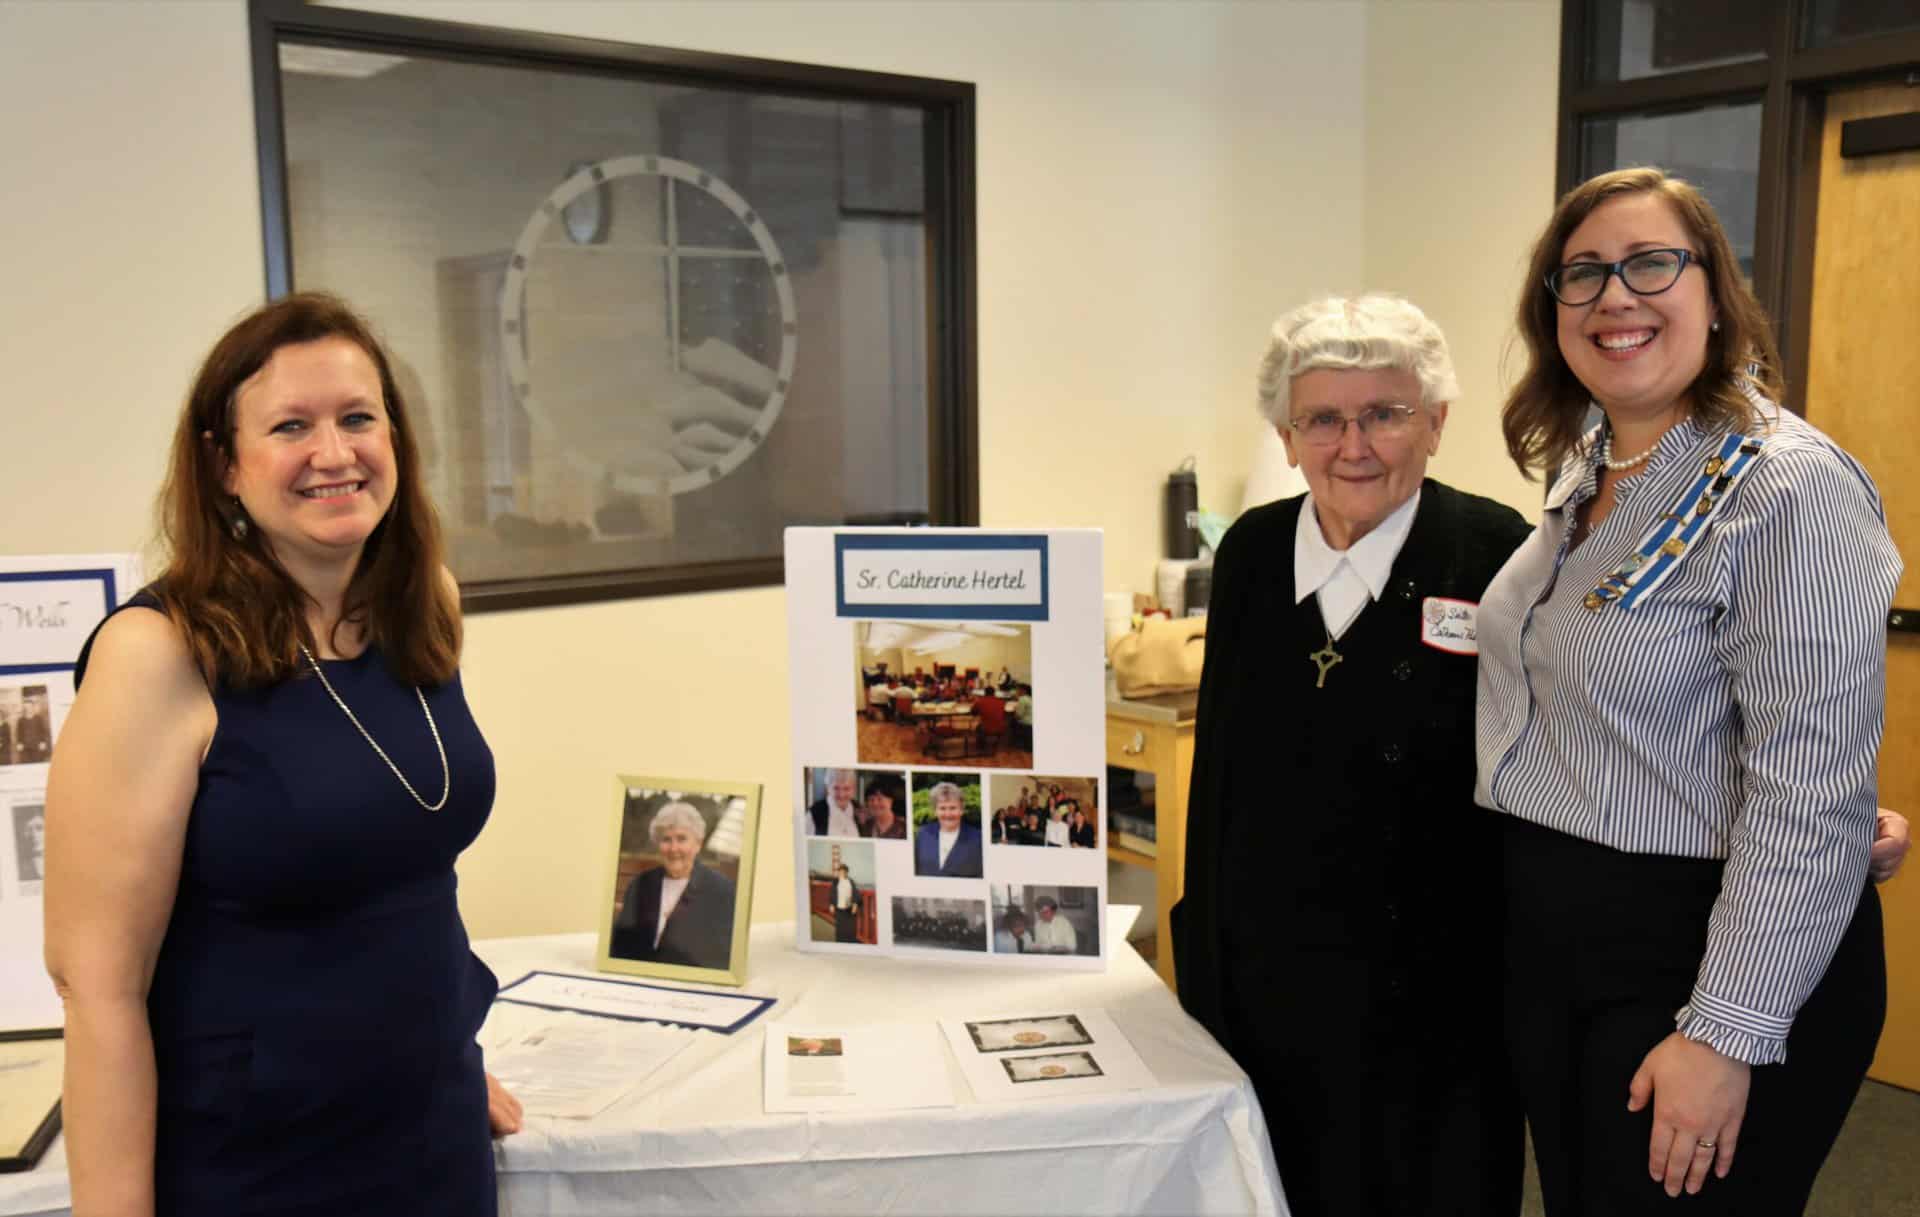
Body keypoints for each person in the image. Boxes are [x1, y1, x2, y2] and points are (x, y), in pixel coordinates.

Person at [1475, 167, 1901, 1216]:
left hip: (1700, 952)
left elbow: (1805, 788)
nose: (1616, 296)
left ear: (1716, 294)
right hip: (1562, 941)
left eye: (1652, 262)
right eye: (1583, 274)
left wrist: (1726, 1031)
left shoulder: (1786, 486)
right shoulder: (1590, 464)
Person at [43, 293, 521, 1217]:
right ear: (225, 466)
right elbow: (96, 983)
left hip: (430, 1139)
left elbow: (403, 878)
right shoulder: (158, 655)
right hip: (255, 1168)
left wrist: (453, 1061)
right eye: (290, 426)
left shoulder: (424, 608)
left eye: (357, 418)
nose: (334, 453)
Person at [1173, 293, 1535, 1217]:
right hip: (1267, 986)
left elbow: (1573, 753)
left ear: (1438, 423)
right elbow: (1217, 779)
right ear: (1287, 437)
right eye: (1323, 419)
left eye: (1386, 413)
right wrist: (1202, 962)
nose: (1354, 445)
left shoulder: (1500, 554)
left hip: (1435, 1002)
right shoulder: (1252, 552)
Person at [610, 800, 736, 969]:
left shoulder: (722, 891)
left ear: (697, 844)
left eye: (681, 839)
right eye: (666, 839)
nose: (673, 848)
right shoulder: (640, 885)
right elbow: (619, 948)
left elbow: (721, 957)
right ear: (657, 844)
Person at [913, 780, 983, 878]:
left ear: (962, 810)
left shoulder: (978, 839)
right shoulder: (923, 834)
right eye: (942, 808)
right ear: (935, 811)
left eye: (953, 808)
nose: (948, 814)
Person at [808, 767, 861, 837]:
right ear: (828, 788)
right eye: (836, 788)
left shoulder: (859, 809)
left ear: (853, 789)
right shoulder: (815, 812)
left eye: (846, 788)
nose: (841, 794)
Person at [860, 774, 907, 839]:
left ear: (890, 801)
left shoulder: (904, 828)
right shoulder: (865, 828)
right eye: (871, 800)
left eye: (880, 799)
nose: (875, 803)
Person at [12, 688, 51, 764]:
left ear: (32, 707)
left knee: (38, 762)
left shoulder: (38, 718)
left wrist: (43, 742)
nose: (28, 709)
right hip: (25, 747)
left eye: (29, 707)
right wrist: (19, 743)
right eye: (26, 707)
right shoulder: (21, 720)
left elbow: (43, 731)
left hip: (37, 746)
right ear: (24, 708)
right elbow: (19, 733)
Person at [830, 862, 862, 943]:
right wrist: (832, 904)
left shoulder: (851, 881)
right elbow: (832, 893)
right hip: (839, 909)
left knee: (850, 929)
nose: (842, 873)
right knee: (840, 929)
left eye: (844, 871)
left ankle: (849, 944)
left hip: (849, 908)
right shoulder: (835, 882)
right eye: (840, 871)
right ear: (838, 872)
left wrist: (855, 904)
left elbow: (856, 892)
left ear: (847, 872)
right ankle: (840, 944)